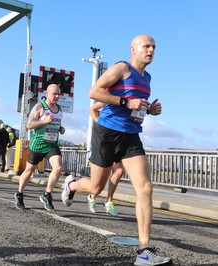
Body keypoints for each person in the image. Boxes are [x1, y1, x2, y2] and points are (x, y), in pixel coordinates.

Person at [61, 35, 171, 265]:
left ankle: (144, 252)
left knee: (145, 187)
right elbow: (94, 92)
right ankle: (71, 184)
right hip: (107, 133)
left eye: (154, 47)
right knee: (96, 187)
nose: (151, 50)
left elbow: (136, 106)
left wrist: (150, 110)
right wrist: (125, 102)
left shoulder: (147, 77)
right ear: (133, 48)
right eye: (146, 46)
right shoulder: (122, 68)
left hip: (131, 135)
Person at [14, 83, 65, 211]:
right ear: (47, 93)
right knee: (29, 171)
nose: (57, 96)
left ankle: (47, 194)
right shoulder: (39, 107)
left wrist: (61, 128)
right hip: (37, 144)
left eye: (58, 93)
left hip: (52, 144)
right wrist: (44, 121)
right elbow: (29, 125)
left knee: (58, 168)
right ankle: (19, 193)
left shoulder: (60, 109)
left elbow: (57, 124)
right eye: (54, 93)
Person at [87, 101, 124, 216]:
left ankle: (109, 201)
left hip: (122, 137)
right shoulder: (114, 96)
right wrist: (100, 123)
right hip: (105, 137)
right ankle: (91, 196)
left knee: (119, 170)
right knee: (98, 184)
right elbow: (92, 109)